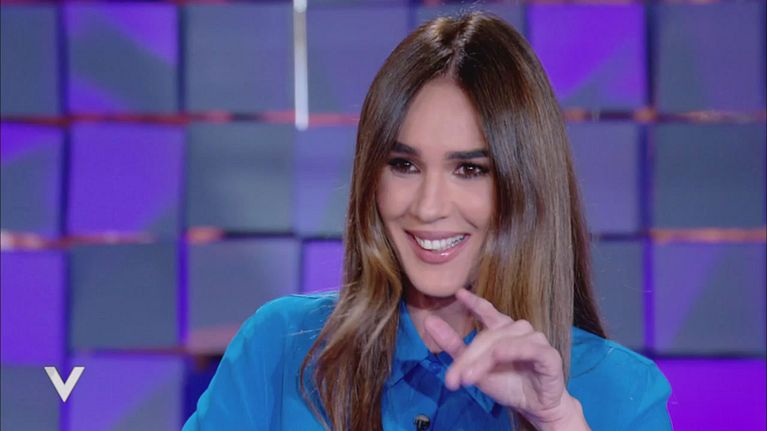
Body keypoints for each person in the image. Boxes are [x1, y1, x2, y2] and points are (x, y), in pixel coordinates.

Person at [183, 11, 672, 431]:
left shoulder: (620, 392)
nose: (429, 206)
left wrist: (557, 420)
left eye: (469, 170)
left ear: (524, 186)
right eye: (404, 165)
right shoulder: (282, 348)